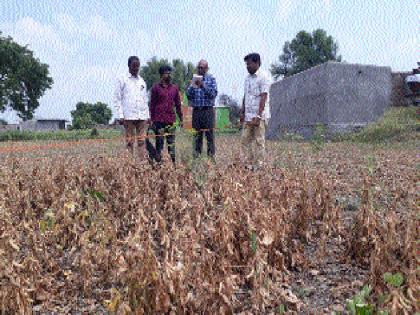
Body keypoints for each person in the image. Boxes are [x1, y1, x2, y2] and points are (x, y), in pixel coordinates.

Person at [240, 53, 271, 170]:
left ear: (257, 63)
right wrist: (242, 112)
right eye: (246, 64)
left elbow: (264, 97)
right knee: (245, 140)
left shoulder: (264, 77)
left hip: (259, 116)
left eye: (249, 64)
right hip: (248, 116)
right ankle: (248, 165)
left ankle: (259, 166)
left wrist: (259, 115)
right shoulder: (247, 78)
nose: (247, 66)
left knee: (259, 141)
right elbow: (246, 96)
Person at [114, 56, 149, 158]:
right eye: (134, 66)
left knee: (142, 141)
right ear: (129, 66)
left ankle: (142, 165)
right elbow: (117, 98)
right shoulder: (122, 80)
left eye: (138, 66)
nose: (136, 68)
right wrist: (120, 115)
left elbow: (145, 99)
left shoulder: (142, 81)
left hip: (141, 115)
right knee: (129, 142)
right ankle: (129, 165)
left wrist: (148, 115)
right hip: (128, 116)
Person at [148, 65, 183, 163]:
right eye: (167, 73)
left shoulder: (174, 88)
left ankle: (173, 164)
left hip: (171, 121)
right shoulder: (155, 88)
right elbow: (152, 105)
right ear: (161, 75)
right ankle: (159, 165)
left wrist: (181, 118)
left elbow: (178, 104)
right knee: (159, 144)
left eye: (169, 73)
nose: (169, 75)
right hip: (158, 121)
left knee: (171, 144)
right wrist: (151, 119)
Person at [186, 60, 218, 159]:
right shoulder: (194, 79)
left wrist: (203, 85)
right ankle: (196, 158)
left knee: (209, 136)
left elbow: (213, 94)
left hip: (207, 111)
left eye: (202, 68)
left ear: (206, 68)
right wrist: (192, 85)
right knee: (197, 136)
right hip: (197, 112)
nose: (200, 69)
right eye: (199, 67)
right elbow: (188, 95)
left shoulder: (211, 79)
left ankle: (210, 159)